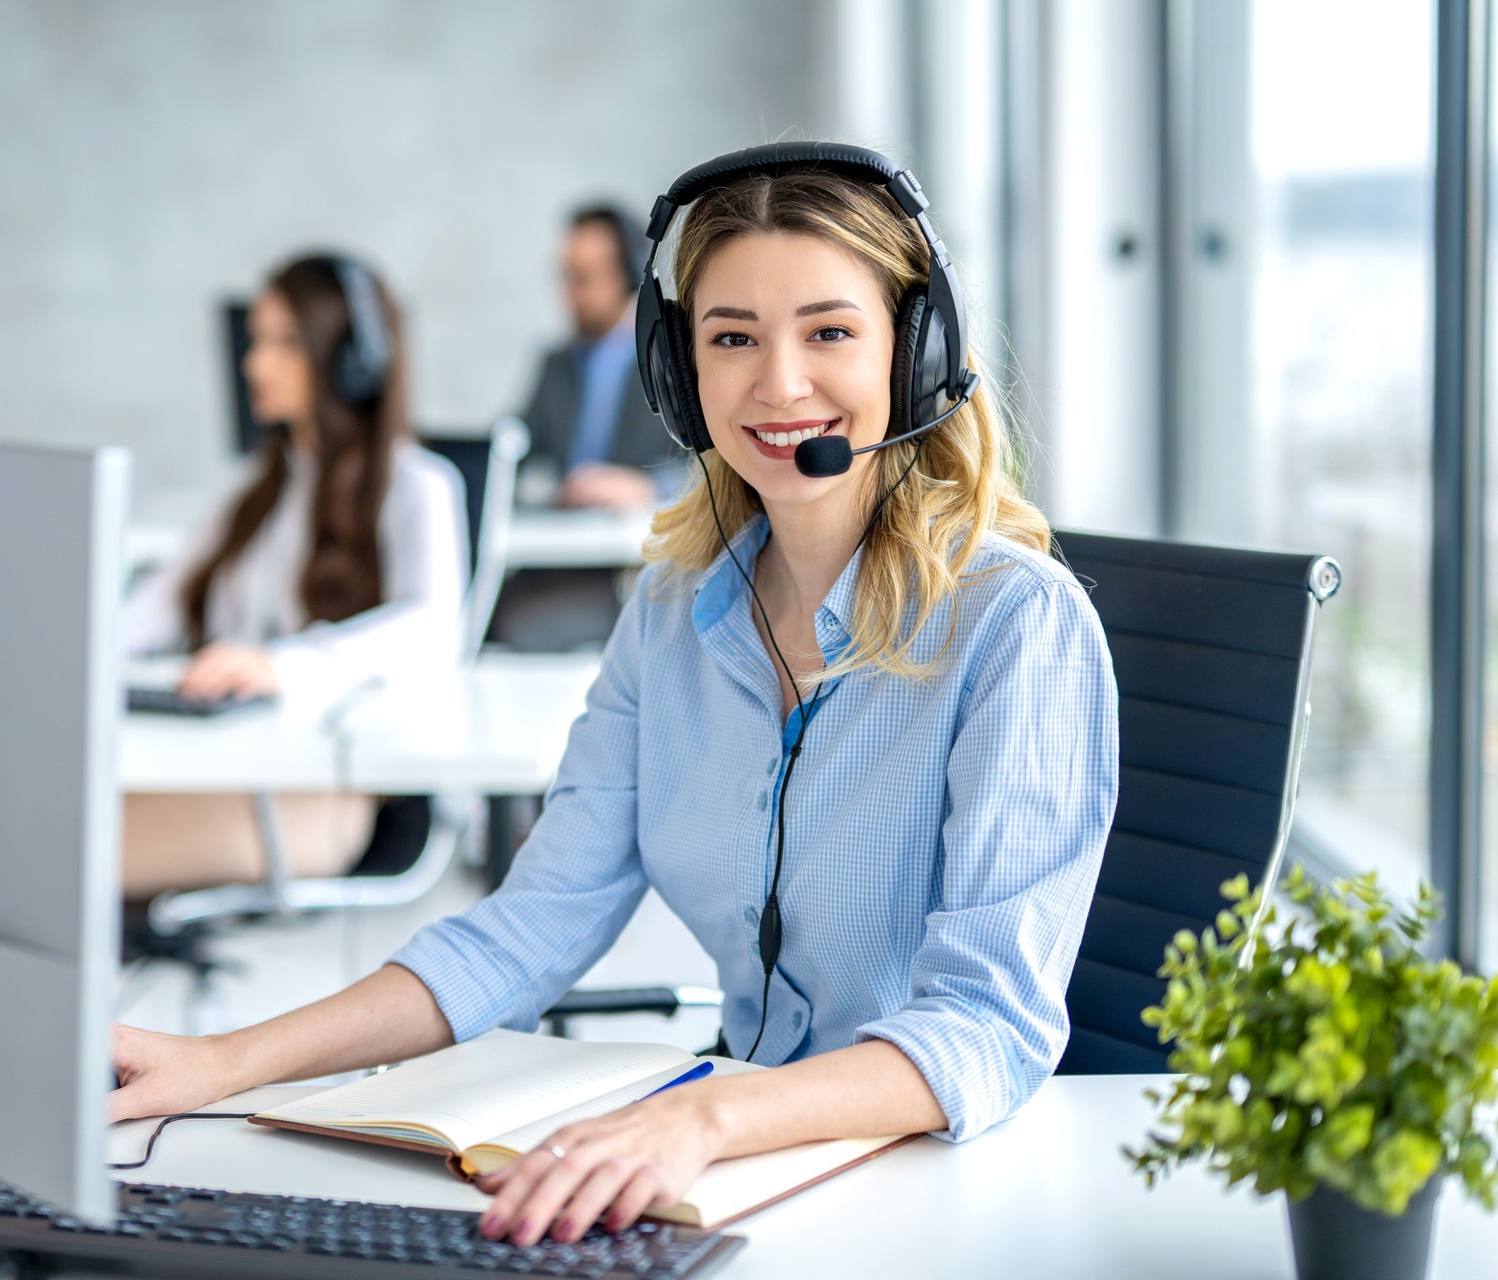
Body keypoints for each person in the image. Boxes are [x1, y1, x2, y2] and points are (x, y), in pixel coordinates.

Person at [109, 146, 1118, 1245]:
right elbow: (527, 927)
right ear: (680, 374)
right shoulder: (672, 613)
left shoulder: (1018, 623)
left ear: (914, 355)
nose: (777, 384)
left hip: (940, 1185)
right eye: (731, 338)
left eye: (830, 331)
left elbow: (988, 1025)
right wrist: (218, 1060)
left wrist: (706, 1113)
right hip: (740, 1171)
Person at [118, 254, 467, 896]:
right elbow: (154, 608)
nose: (254, 364)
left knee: (71, 849)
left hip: (322, 790)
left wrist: (285, 666)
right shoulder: (252, 488)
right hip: (217, 767)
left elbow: (431, 629)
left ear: (349, 361)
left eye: (284, 343)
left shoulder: (418, 486)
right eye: (255, 341)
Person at [519, 205, 679, 510]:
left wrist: (649, 487)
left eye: (583, 279)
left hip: (641, 542)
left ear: (627, 278)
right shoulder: (556, 365)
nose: (568, 294)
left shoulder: (672, 360)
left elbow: (715, 466)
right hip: (560, 542)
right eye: (565, 276)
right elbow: (514, 448)